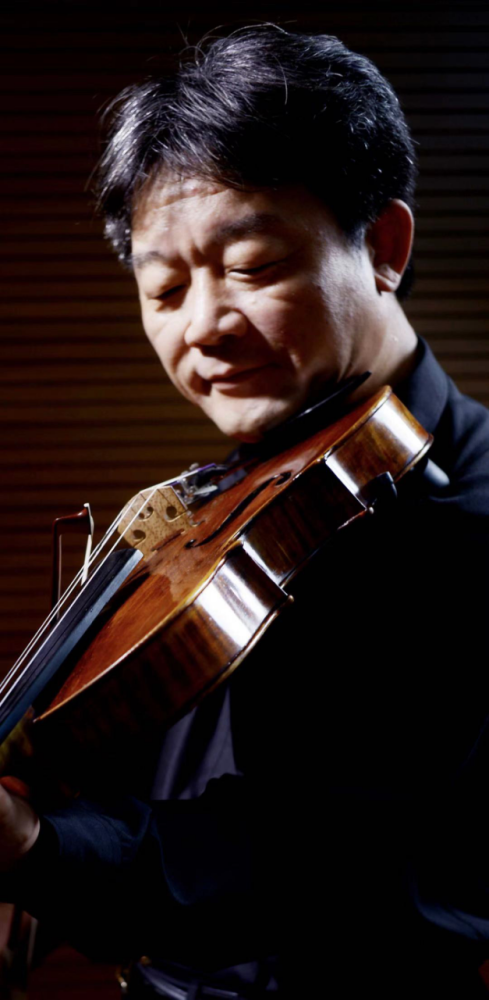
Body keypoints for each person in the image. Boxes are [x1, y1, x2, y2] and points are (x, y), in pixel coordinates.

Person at [2, 23, 489, 999]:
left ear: (383, 246)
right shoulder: (235, 497)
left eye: (254, 266)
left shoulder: (467, 524)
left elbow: (317, 857)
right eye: (164, 288)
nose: (204, 328)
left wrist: (38, 849)